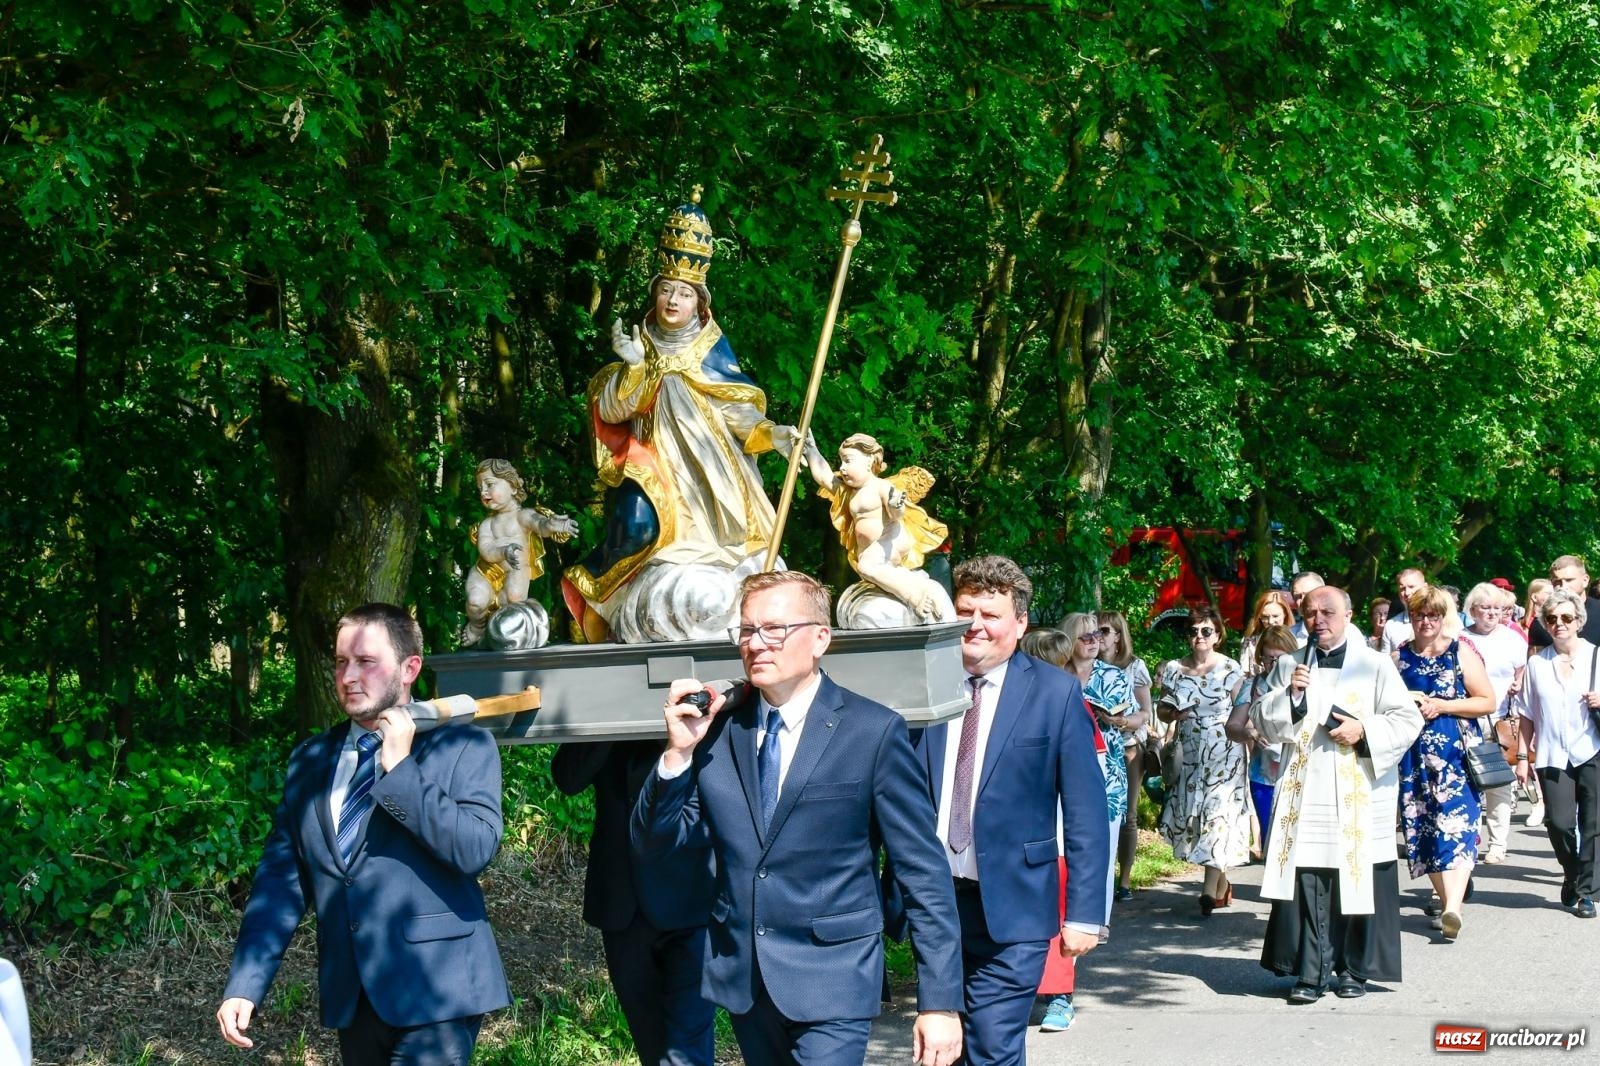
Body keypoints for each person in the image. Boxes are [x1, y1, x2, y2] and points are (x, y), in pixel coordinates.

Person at [630, 571, 963, 1066]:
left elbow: (923, 872)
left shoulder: (872, 732)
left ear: (820, 638)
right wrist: (677, 754)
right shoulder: (717, 733)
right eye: (746, 631)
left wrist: (939, 1002)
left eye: (774, 629)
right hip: (745, 976)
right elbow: (655, 842)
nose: (756, 644)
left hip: (834, 976)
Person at [217, 604, 510, 1062]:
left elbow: (474, 848)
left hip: (440, 990)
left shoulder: (462, 745)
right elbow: (282, 880)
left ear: (409, 667)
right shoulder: (310, 759)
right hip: (353, 994)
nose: (349, 676)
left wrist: (400, 771)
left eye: (366, 662)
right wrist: (245, 984)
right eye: (340, 662)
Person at [561, 195, 798, 643]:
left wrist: (775, 434)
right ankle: (614, 598)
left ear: (700, 302)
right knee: (634, 529)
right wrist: (634, 366)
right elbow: (613, 410)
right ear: (655, 293)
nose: (673, 299)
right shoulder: (637, 346)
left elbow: (738, 414)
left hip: (713, 477)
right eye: (667, 289)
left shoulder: (711, 351)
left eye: (685, 292)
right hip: (658, 474)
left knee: (735, 554)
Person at [905, 555, 1109, 1066]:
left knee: (993, 1049)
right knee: (940, 1049)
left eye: (989, 614)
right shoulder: (922, 687)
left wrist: (1086, 912)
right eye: (964, 609)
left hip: (1015, 906)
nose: (974, 623)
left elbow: (1085, 810)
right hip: (934, 904)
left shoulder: (1054, 693)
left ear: (1019, 623)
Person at [1250, 585, 1423, 1003]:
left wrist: (1364, 730)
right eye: (1310, 613)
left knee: (1356, 877)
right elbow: (1261, 719)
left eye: (1327, 611)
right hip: (1306, 787)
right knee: (1309, 878)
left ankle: (1353, 969)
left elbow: (1407, 719)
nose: (1318, 620)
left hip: (1359, 786)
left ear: (1348, 614)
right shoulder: (1291, 664)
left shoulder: (1375, 665)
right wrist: (1291, 696)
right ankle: (1310, 972)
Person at [551, 739, 716, 1066]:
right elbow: (568, 778)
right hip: (622, 904)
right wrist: (608, 720)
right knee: (651, 1044)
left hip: (691, 900)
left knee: (686, 1049)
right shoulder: (602, 713)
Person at [1017, 626, 1120, 1035]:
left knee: (1059, 917)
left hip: (1056, 831)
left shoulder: (1070, 704)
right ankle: (1021, 991)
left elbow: (1086, 777)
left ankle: (1060, 996)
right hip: (1014, 833)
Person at [1395, 585, 1495, 941]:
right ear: (1410, 617)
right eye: (1418, 615)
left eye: (1432, 615)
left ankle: (1453, 906)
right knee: (1423, 832)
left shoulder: (1459, 652)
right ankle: (1445, 900)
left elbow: (1487, 701)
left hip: (1455, 756)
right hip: (1412, 757)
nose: (1425, 621)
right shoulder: (1398, 658)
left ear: (1442, 617)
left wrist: (1443, 705)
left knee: (1458, 829)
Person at [800, 432, 952, 622]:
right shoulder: (848, 492)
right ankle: (919, 588)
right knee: (875, 569)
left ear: (870, 460)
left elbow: (897, 514)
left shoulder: (881, 486)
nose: (842, 467)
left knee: (868, 566)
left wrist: (896, 505)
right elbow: (823, 476)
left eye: (848, 461)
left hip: (891, 538)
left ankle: (915, 599)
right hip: (876, 546)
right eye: (841, 461)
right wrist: (810, 449)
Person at [1156, 605, 1249, 915]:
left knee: (1217, 814)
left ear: (1217, 635)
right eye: (1194, 631)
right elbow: (1162, 709)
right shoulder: (1173, 668)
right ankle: (1221, 884)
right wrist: (1173, 713)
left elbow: (1243, 706)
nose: (1199, 636)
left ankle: (1208, 890)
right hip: (1189, 750)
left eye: (1206, 630)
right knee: (1194, 815)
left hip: (1224, 749)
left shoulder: (1230, 668)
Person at [1513, 587, 1600, 918]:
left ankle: (1587, 893)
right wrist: (1522, 758)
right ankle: (1572, 871)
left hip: (1592, 750)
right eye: (1551, 619)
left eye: (1566, 617)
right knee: (1559, 823)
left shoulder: (1597, 656)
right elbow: (1526, 713)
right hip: (1552, 753)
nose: (1559, 624)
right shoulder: (1536, 664)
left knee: (1593, 825)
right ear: (1545, 625)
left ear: (1579, 620)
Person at [463, 458, 578, 646]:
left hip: (516, 569)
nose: (483, 492)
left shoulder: (522, 516)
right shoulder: (487, 524)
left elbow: (540, 524)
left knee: (514, 599)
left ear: (513, 488)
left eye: (489, 484)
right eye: (480, 488)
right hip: (486, 571)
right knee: (475, 602)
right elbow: (487, 551)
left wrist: (552, 525)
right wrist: (504, 550)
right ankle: (477, 627)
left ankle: (500, 629)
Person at [1463, 581, 1528, 865]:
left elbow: (1524, 672)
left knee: (1498, 784)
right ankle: (1468, 841)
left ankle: (1498, 843)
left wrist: (1518, 684)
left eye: (1497, 608)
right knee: (1467, 783)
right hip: (1467, 719)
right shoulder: (1460, 638)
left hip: (1500, 720)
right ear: (1472, 610)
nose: (1491, 613)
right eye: (1485, 608)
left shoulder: (1513, 639)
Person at [1226, 625, 1299, 859]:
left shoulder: (1306, 683)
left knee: (1299, 844)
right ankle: (1277, 895)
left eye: (1281, 659)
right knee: (1272, 843)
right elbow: (1232, 726)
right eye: (1269, 659)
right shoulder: (1254, 684)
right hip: (1264, 775)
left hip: (1299, 773)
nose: (1274, 666)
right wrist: (1250, 734)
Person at [1097, 610, 1154, 901]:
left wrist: (1120, 721)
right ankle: (1099, 874)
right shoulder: (1086, 664)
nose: (1098, 635)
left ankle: (1125, 879)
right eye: (1095, 630)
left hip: (1128, 746)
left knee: (1127, 815)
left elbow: (1145, 713)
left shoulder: (1134, 666)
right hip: (1096, 748)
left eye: (1104, 630)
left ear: (1118, 636)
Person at [1527, 555, 1600, 650]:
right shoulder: (1543, 621)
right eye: (1557, 582)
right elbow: (1535, 660)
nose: (1563, 586)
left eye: (1569, 580)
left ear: (1585, 580)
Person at [1238, 590, 1299, 673]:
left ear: (1285, 613)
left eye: (1275, 616)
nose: (1270, 621)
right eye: (1265, 616)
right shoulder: (1250, 642)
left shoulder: (1298, 638)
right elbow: (1244, 674)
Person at [1380, 567, 1428, 654]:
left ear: (1425, 587)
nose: (1407, 593)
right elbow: (1384, 662)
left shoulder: (1441, 620)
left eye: (1411, 587)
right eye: (1402, 589)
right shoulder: (1391, 626)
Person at [1288, 572, 1325, 641]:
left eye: (1308, 594)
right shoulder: (1289, 638)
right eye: (1297, 596)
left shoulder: (1347, 632)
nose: (1303, 600)